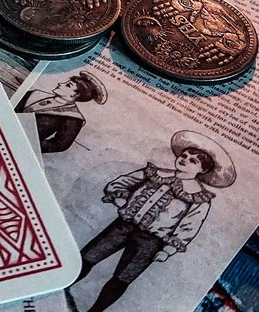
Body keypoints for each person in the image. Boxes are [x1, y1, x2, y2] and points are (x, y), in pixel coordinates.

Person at [73, 130, 236, 312]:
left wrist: (168, 250)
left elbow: (189, 226)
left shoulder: (198, 197)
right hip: (123, 226)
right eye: (184, 155)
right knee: (87, 257)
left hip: (151, 241)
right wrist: (121, 200)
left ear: (202, 170)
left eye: (193, 160)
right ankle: (58, 287)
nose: (184, 159)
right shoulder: (156, 173)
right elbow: (119, 183)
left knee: (123, 277)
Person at [17, 72, 107, 153]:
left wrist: (29, 144)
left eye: (68, 85)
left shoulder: (73, 118)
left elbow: (59, 145)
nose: (60, 84)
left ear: (75, 95)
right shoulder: (34, 94)